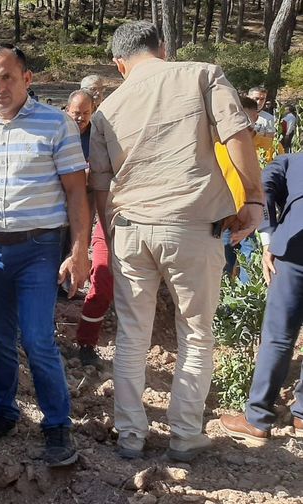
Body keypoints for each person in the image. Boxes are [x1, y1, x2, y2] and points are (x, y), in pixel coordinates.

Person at [89, 21, 264, 462]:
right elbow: (237, 134)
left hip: (130, 228)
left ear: (119, 63)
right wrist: (254, 199)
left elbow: (99, 183)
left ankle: (129, 435)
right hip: (190, 224)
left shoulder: (108, 107)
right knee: (196, 334)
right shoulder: (201, 74)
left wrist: (113, 231)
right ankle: (185, 435)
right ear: (162, 48)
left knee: (131, 337)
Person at [0, 45, 90, 467]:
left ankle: (56, 424)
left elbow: (75, 192)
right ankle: (4, 412)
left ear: (26, 79)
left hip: (38, 249)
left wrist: (81, 250)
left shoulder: (56, 125)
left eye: (6, 77)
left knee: (36, 338)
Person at [219, 153, 303, 444]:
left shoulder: (291, 162)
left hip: (294, 248)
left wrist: (269, 236)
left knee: (279, 336)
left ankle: (257, 419)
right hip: (293, 246)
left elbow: (262, 190)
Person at [215, 95, 282, 284]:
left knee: (250, 263)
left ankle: (246, 308)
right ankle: (224, 309)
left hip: (258, 217)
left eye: (252, 119)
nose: (247, 125)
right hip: (226, 216)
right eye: (242, 118)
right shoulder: (218, 146)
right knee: (223, 266)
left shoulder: (268, 146)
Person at [64, 89, 109, 366]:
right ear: (67, 109)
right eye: (75, 112)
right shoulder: (59, 130)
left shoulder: (98, 135)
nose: (80, 117)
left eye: (85, 113)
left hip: (95, 199)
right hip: (63, 201)